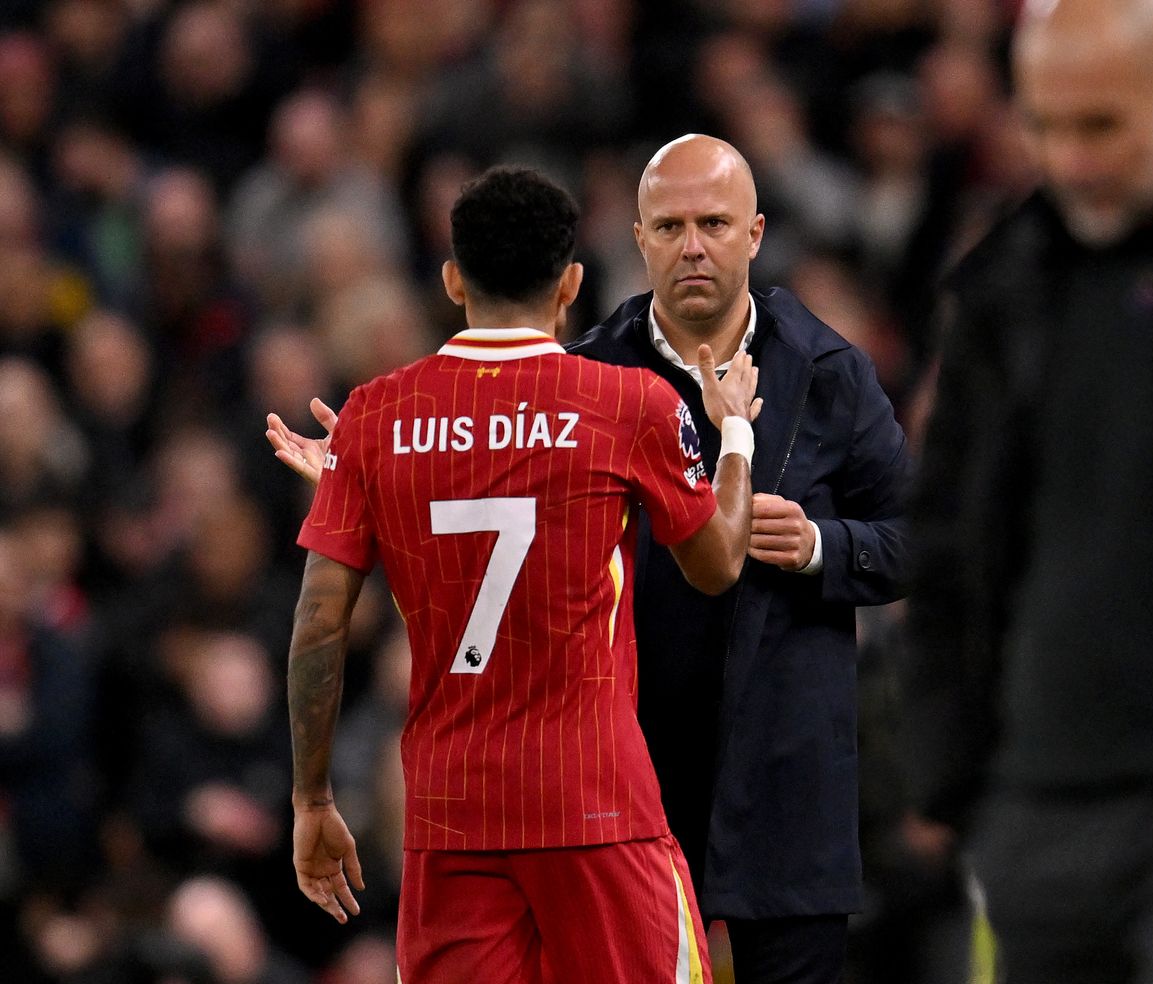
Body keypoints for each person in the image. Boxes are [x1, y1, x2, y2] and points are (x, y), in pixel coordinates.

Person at [272, 136, 911, 984]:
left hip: (773, 788)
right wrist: (739, 439)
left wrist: (823, 547)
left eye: (714, 223)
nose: (693, 245)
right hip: (616, 790)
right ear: (625, 247)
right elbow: (695, 559)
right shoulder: (602, 387)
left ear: (754, 234)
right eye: (671, 225)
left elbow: (923, 544)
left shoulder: (830, 371)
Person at [902, 1, 1153, 981]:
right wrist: (952, 774)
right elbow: (945, 538)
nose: (1069, 159)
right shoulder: (1001, 290)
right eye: (1045, 125)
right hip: (1034, 804)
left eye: (1100, 125)